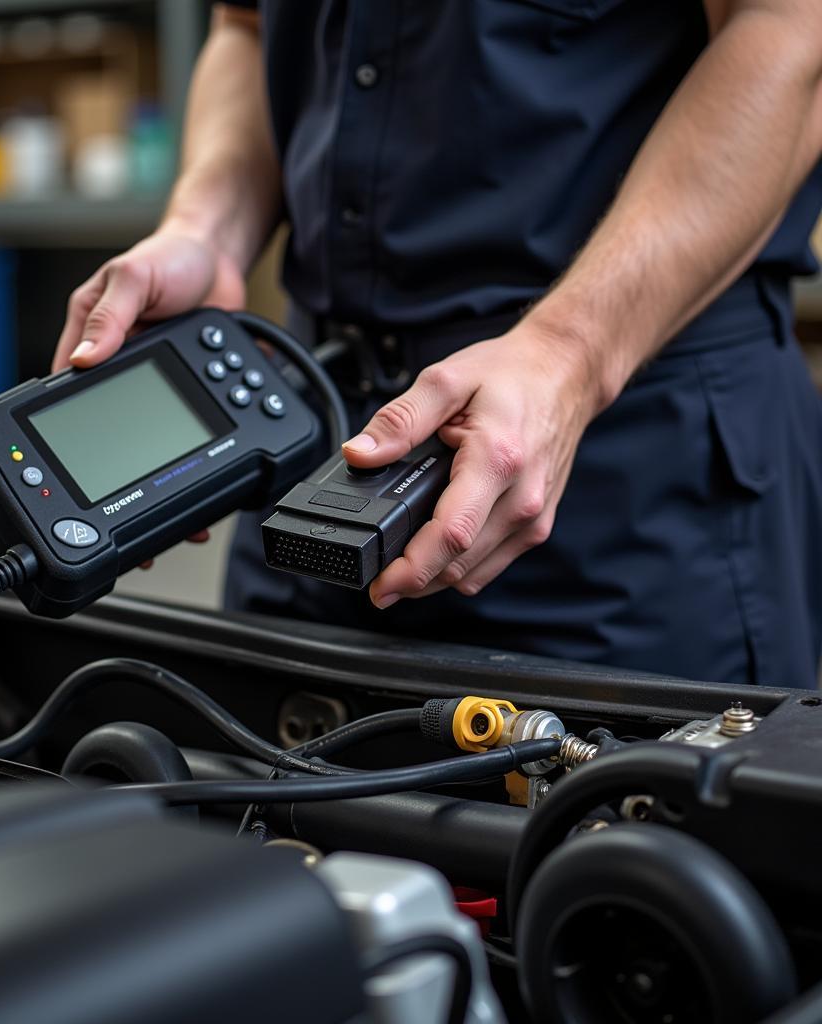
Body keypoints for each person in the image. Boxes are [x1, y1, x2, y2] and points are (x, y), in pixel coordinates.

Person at [54, 1, 822, 688]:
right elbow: (246, 27)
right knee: (265, 820)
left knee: (609, 840)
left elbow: (791, 34)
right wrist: (205, 229)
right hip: (315, 451)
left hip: (631, 482)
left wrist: (571, 353)